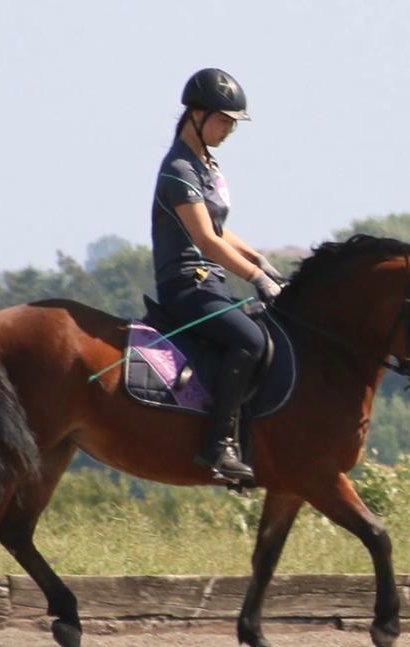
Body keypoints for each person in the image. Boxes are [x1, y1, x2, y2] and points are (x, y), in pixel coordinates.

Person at [150, 67, 285, 484]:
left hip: (212, 284)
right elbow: (207, 242)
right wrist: (255, 278)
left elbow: (222, 230)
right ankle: (218, 446)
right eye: (223, 120)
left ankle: (246, 441)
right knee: (249, 339)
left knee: (270, 335)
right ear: (196, 114)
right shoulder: (178, 169)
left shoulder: (206, 166)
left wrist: (260, 262)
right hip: (185, 285)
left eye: (232, 123)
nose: (228, 129)